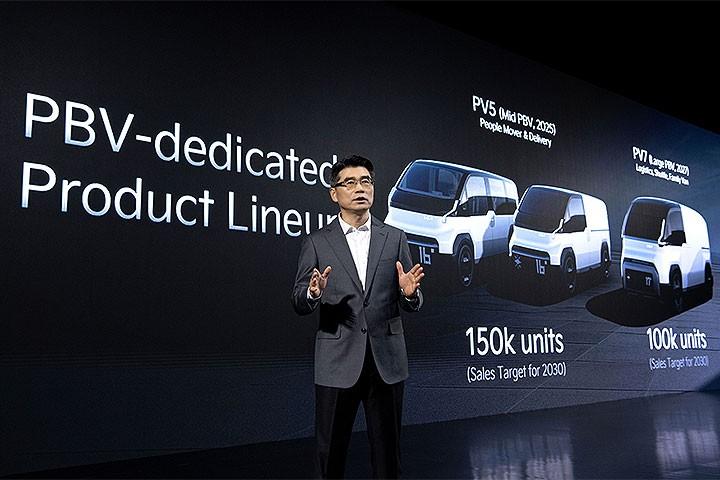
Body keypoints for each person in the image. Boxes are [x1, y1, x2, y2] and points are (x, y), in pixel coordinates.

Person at [291, 155, 424, 479]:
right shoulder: (317, 242)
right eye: (349, 183)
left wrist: (409, 294)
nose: (359, 188)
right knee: (330, 457)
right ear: (334, 193)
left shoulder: (395, 237)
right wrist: (313, 293)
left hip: (386, 362)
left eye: (365, 181)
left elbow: (412, 298)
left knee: (388, 458)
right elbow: (299, 299)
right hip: (337, 362)